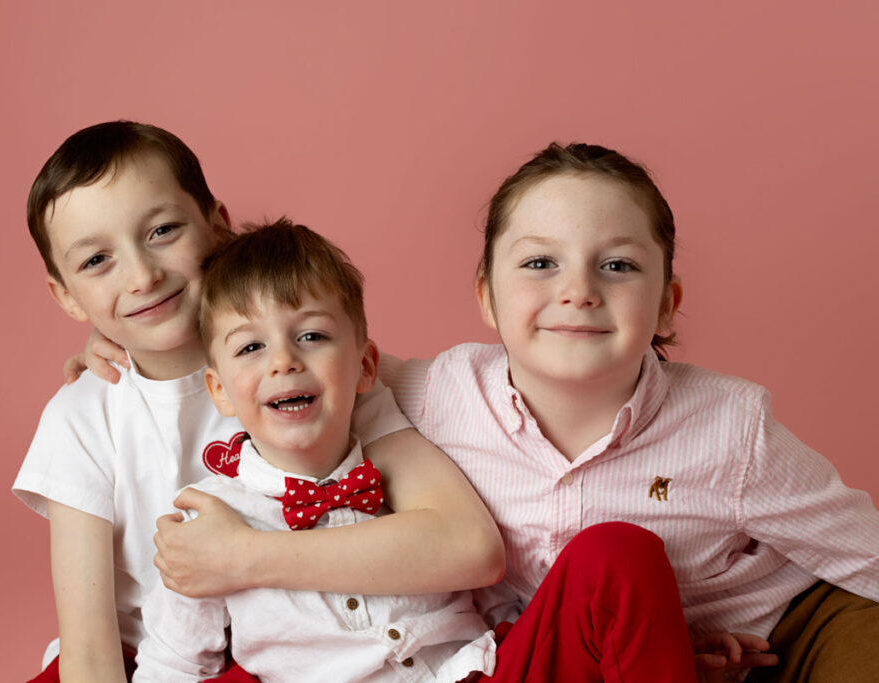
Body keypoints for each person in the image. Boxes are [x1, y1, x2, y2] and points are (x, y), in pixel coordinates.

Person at [72, 141, 879, 682]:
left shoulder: (731, 424)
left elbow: (860, 547)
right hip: (559, 652)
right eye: (539, 263)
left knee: (616, 552)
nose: (577, 291)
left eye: (618, 265)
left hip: (751, 631)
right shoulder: (432, 393)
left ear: (667, 300)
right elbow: (285, 357)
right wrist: (126, 356)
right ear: (486, 298)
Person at [13, 121, 505, 682]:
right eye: (96, 261)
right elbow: (90, 652)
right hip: (152, 659)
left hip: (299, 646)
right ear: (66, 296)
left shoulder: (310, 371)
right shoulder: (83, 417)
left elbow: (466, 544)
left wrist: (238, 557)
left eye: (163, 230)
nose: (143, 276)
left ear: (217, 226)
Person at [134, 218, 700, 682]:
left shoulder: (413, 459)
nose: (284, 361)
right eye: (251, 347)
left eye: (313, 336)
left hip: (472, 674)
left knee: (618, 552)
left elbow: (492, 592)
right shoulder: (208, 522)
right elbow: (172, 664)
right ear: (218, 390)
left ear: (365, 368)